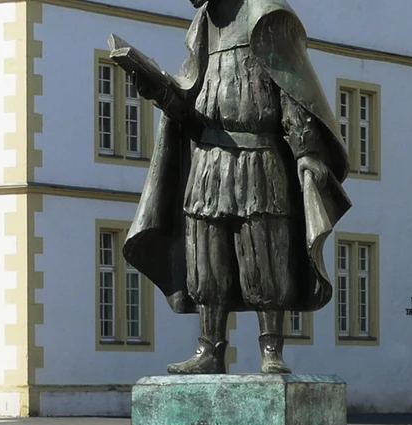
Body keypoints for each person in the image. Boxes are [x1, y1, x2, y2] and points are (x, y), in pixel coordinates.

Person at [115, 0, 353, 375]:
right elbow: (191, 110)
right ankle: (210, 349)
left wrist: (306, 151)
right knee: (206, 258)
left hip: (260, 158)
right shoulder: (204, 27)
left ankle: (271, 351)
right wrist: (159, 91)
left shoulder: (265, 19)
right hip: (209, 163)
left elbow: (292, 91)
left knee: (263, 252)